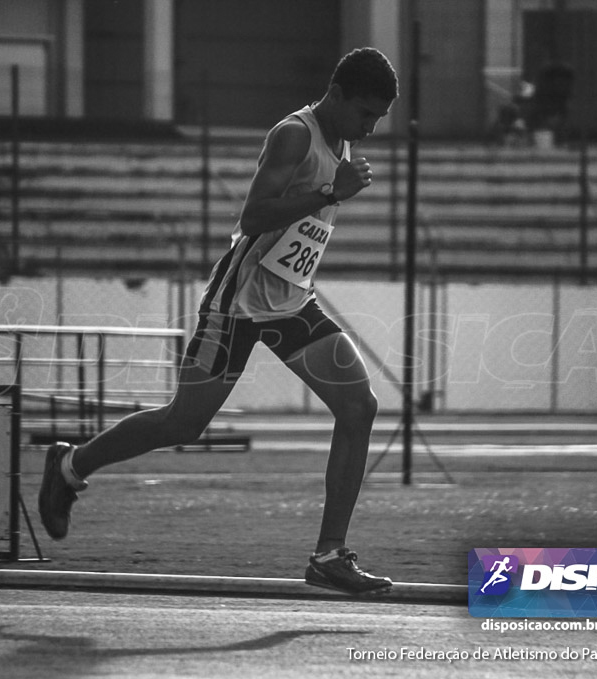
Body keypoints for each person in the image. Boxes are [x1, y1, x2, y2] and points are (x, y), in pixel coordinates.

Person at [38, 47, 399, 596]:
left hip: (292, 303)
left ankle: (329, 555)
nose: (369, 129)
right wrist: (329, 191)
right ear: (339, 94)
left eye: (377, 120)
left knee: (359, 406)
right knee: (182, 425)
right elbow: (252, 217)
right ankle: (70, 465)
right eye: (365, 115)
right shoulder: (294, 135)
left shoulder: (342, 140)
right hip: (238, 305)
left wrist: (332, 188)